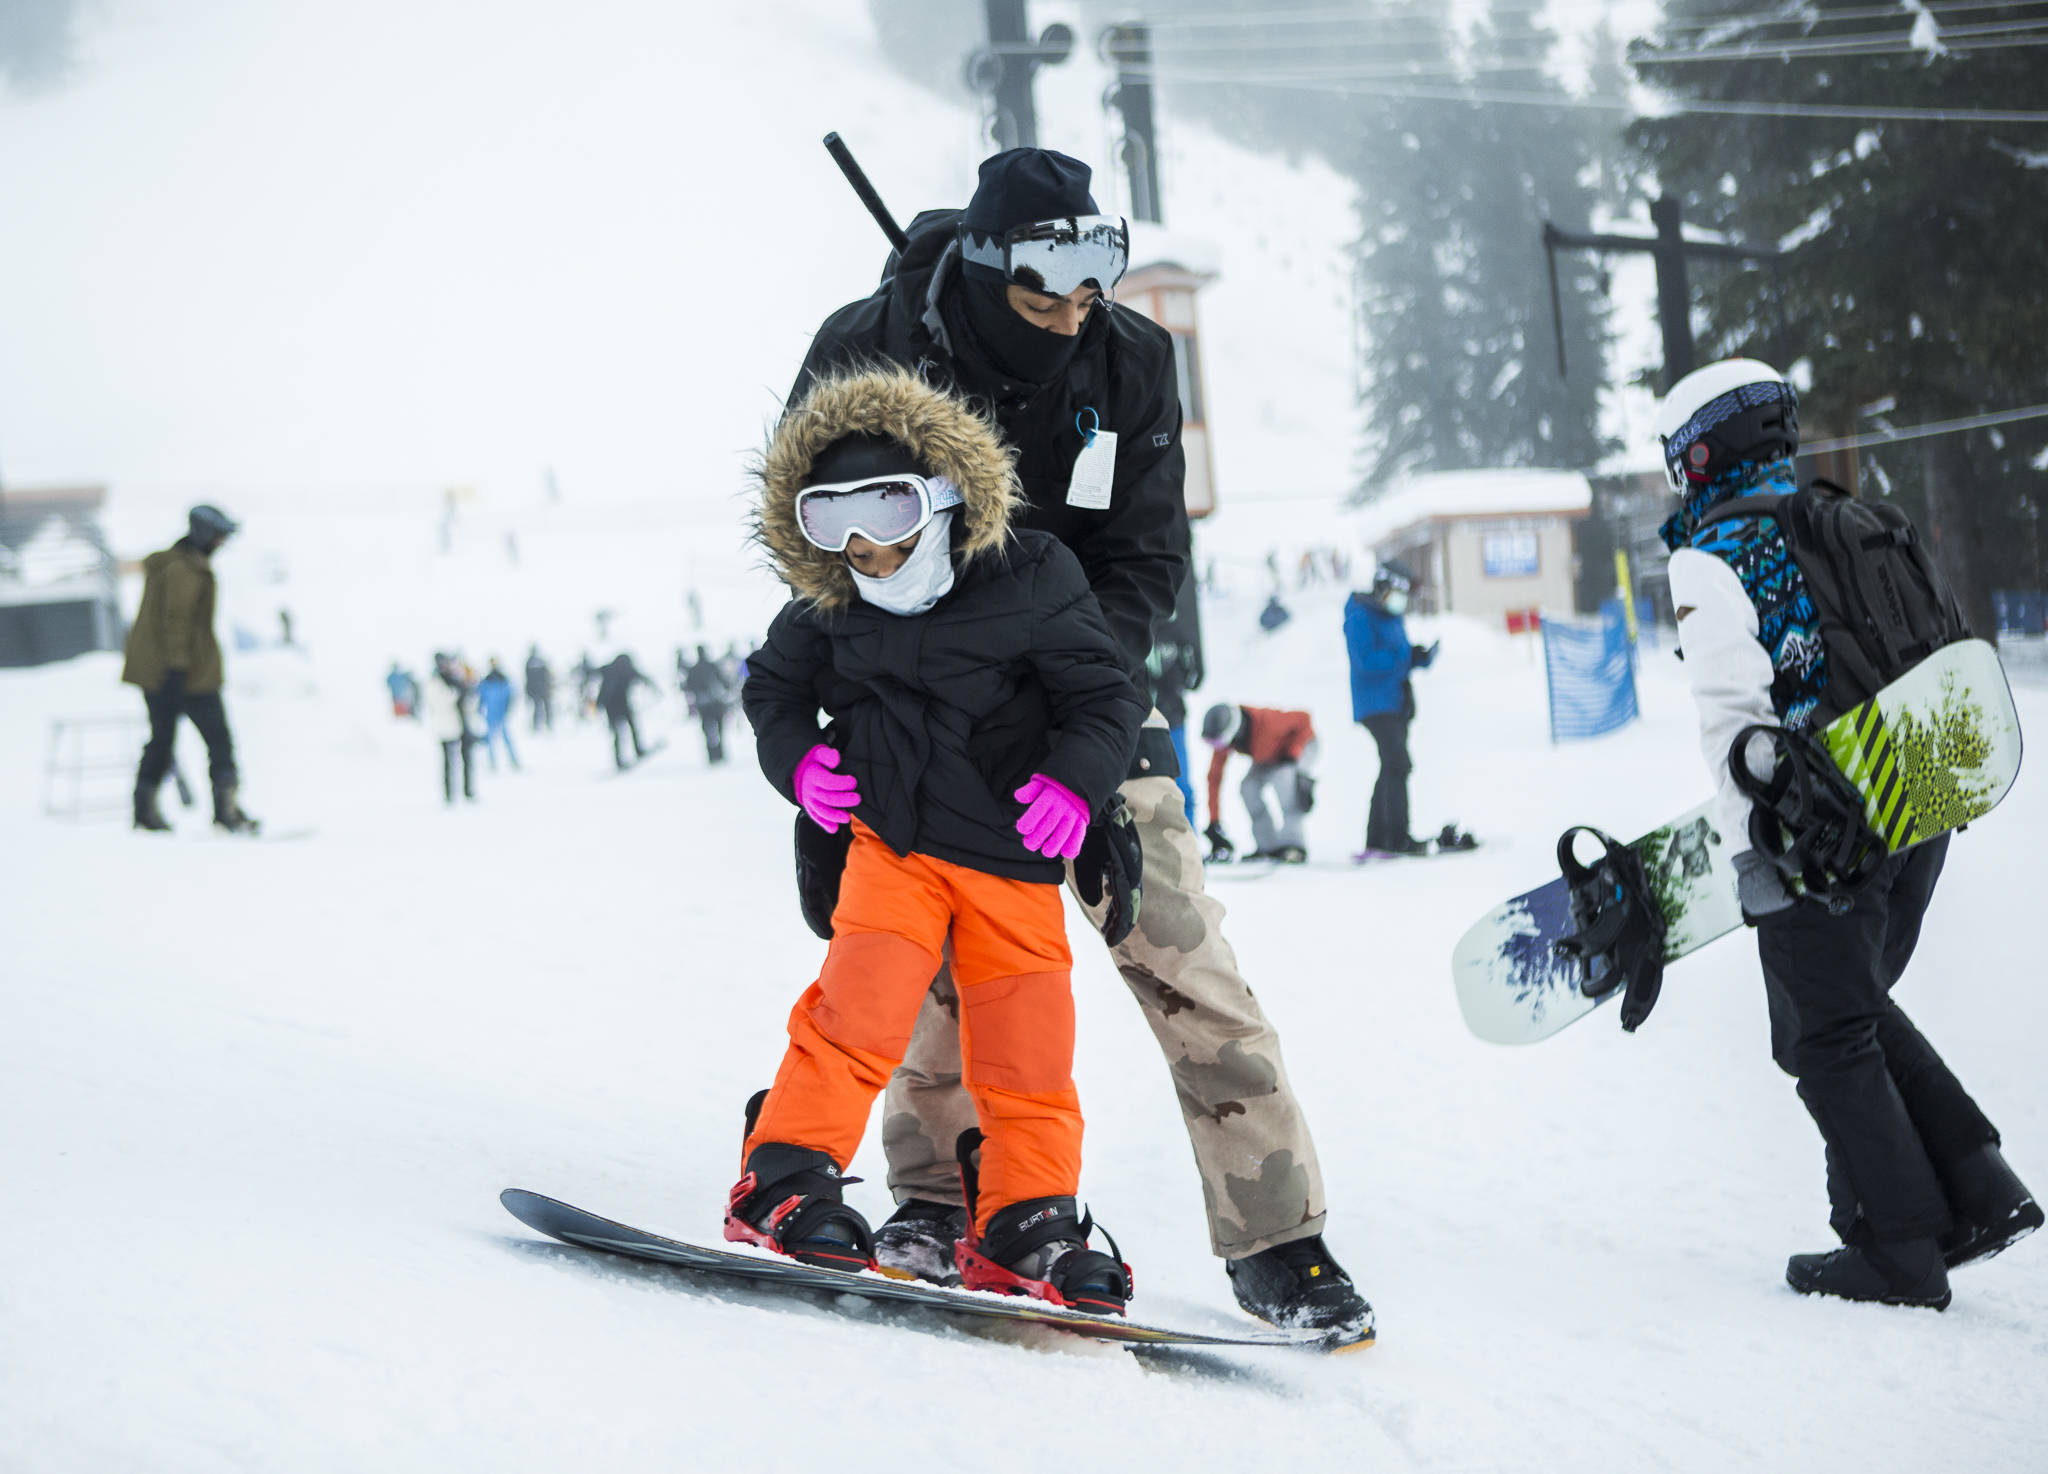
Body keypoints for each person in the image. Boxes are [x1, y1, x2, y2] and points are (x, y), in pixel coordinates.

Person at [790, 145, 1370, 1342]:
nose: (1067, 318)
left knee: (1179, 950)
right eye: (1039, 296)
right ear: (986, 266)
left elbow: (1144, 560)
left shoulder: (1129, 360)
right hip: (918, 702)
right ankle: (939, 1202)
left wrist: (1073, 729)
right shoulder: (870, 345)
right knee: (936, 968)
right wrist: (813, 758)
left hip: (1092, 690)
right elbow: (819, 554)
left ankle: (1277, 1235)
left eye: (1086, 293)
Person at [736, 365, 1146, 1310]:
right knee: (856, 1016)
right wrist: (798, 762)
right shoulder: (827, 601)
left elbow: (1102, 694)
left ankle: (1027, 1219)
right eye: (835, 530)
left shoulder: (1033, 572)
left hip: (1012, 860)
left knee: (1028, 1056)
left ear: (944, 497)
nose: (868, 556)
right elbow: (772, 690)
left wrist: (1078, 785)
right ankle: (785, 1177)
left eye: (887, 519)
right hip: (895, 847)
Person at [1657, 357, 2038, 1309]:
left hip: (1815, 831)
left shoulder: (1712, 558)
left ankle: (1900, 1246)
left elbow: (1734, 726)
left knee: (1825, 1037)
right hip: (1918, 803)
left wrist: (1757, 857)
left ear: (1702, 454)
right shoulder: (1859, 520)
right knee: (1847, 1012)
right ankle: (1976, 1190)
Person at [122, 504, 259, 834]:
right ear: (203, 533)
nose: (222, 542)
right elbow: (176, 623)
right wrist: (176, 671)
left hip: (167, 671)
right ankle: (224, 812)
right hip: (182, 673)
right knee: (216, 741)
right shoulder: (184, 569)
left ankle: (145, 811)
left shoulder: (179, 564)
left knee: (163, 740)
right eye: (219, 535)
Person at [1344, 561, 1439, 857]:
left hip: (1397, 701)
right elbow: (1366, 661)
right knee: (1398, 763)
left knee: (1391, 766)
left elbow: (1398, 658)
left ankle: (1378, 839)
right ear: (1383, 588)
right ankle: (1397, 837)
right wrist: (1402, 654)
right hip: (1375, 704)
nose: (1402, 600)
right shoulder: (1359, 615)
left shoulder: (1392, 617)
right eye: (1398, 593)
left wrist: (1417, 656)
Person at [1199, 703, 1317, 863]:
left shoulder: (1268, 723)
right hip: (1268, 754)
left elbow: (1304, 718)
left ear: (1234, 729)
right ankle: (1268, 846)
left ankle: (1293, 846)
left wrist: (1293, 753)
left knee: (1285, 782)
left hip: (1302, 745)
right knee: (1248, 788)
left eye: (1218, 742)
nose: (1217, 748)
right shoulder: (1226, 743)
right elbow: (1214, 778)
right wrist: (1214, 821)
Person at [421, 651, 478, 804]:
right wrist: (456, 693)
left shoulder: (457, 680)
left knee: (467, 760)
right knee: (448, 762)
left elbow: (470, 701)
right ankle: (448, 794)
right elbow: (441, 702)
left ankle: (468, 790)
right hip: (446, 726)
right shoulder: (435, 682)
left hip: (462, 725)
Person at [680, 643, 736, 764]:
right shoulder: (712, 666)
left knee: (707, 730)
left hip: (702, 704)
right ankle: (719, 753)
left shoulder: (693, 669)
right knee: (719, 728)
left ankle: (711, 755)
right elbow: (722, 680)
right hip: (714, 702)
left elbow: (687, 686)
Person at [594, 652, 652, 769]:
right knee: (626, 730)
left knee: (622, 731)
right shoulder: (623, 670)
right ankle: (632, 753)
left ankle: (623, 758)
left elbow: (596, 673)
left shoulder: (611, 669)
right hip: (616, 705)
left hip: (615, 705)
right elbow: (639, 677)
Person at [475, 658, 521, 772]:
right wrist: (479, 709)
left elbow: (511, 695)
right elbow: (481, 697)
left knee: (506, 739)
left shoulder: (503, 679)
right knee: (491, 740)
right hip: (491, 714)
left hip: (501, 713)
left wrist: (508, 709)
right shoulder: (487, 680)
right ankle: (492, 764)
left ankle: (514, 762)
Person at [524, 646, 554, 732]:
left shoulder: (530, 662)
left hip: (538, 690)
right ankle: (544, 724)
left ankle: (542, 724)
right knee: (543, 707)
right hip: (540, 690)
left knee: (540, 707)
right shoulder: (539, 662)